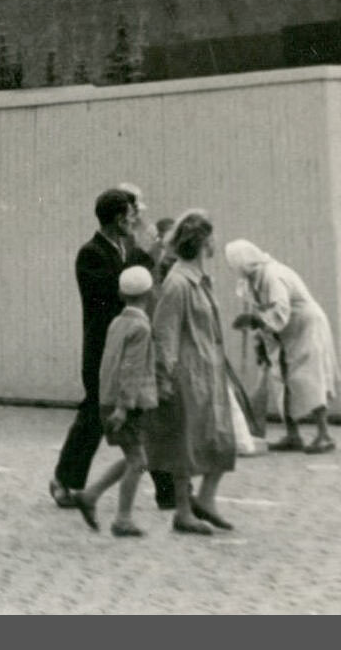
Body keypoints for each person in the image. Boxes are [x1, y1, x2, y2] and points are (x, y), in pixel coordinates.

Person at [50, 185, 154, 510]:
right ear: (118, 217)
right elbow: (120, 288)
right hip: (101, 349)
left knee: (145, 416)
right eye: (130, 214)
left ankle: (170, 490)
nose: (134, 220)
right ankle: (65, 480)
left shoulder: (127, 249)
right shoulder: (91, 254)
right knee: (94, 416)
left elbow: (146, 272)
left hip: (126, 343)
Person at [145, 209, 237, 536]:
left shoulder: (199, 279)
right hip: (187, 373)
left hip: (208, 371)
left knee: (221, 439)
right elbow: (165, 332)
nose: (215, 242)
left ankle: (206, 500)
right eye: (211, 237)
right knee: (184, 442)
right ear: (202, 241)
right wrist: (165, 376)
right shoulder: (178, 283)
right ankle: (183, 511)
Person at [223, 239, 340, 453]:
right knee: (280, 377)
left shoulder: (273, 275)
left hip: (305, 325)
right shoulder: (252, 280)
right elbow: (265, 312)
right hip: (283, 330)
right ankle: (293, 434)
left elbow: (280, 310)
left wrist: (255, 321)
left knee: (309, 375)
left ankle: (324, 434)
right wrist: (260, 339)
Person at [75, 264, 158, 536]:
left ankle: (92, 494)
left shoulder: (117, 322)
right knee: (139, 461)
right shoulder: (141, 327)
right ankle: (122, 518)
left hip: (108, 399)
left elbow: (110, 364)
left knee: (135, 457)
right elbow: (131, 368)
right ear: (149, 292)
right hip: (128, 404)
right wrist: (124, 406)